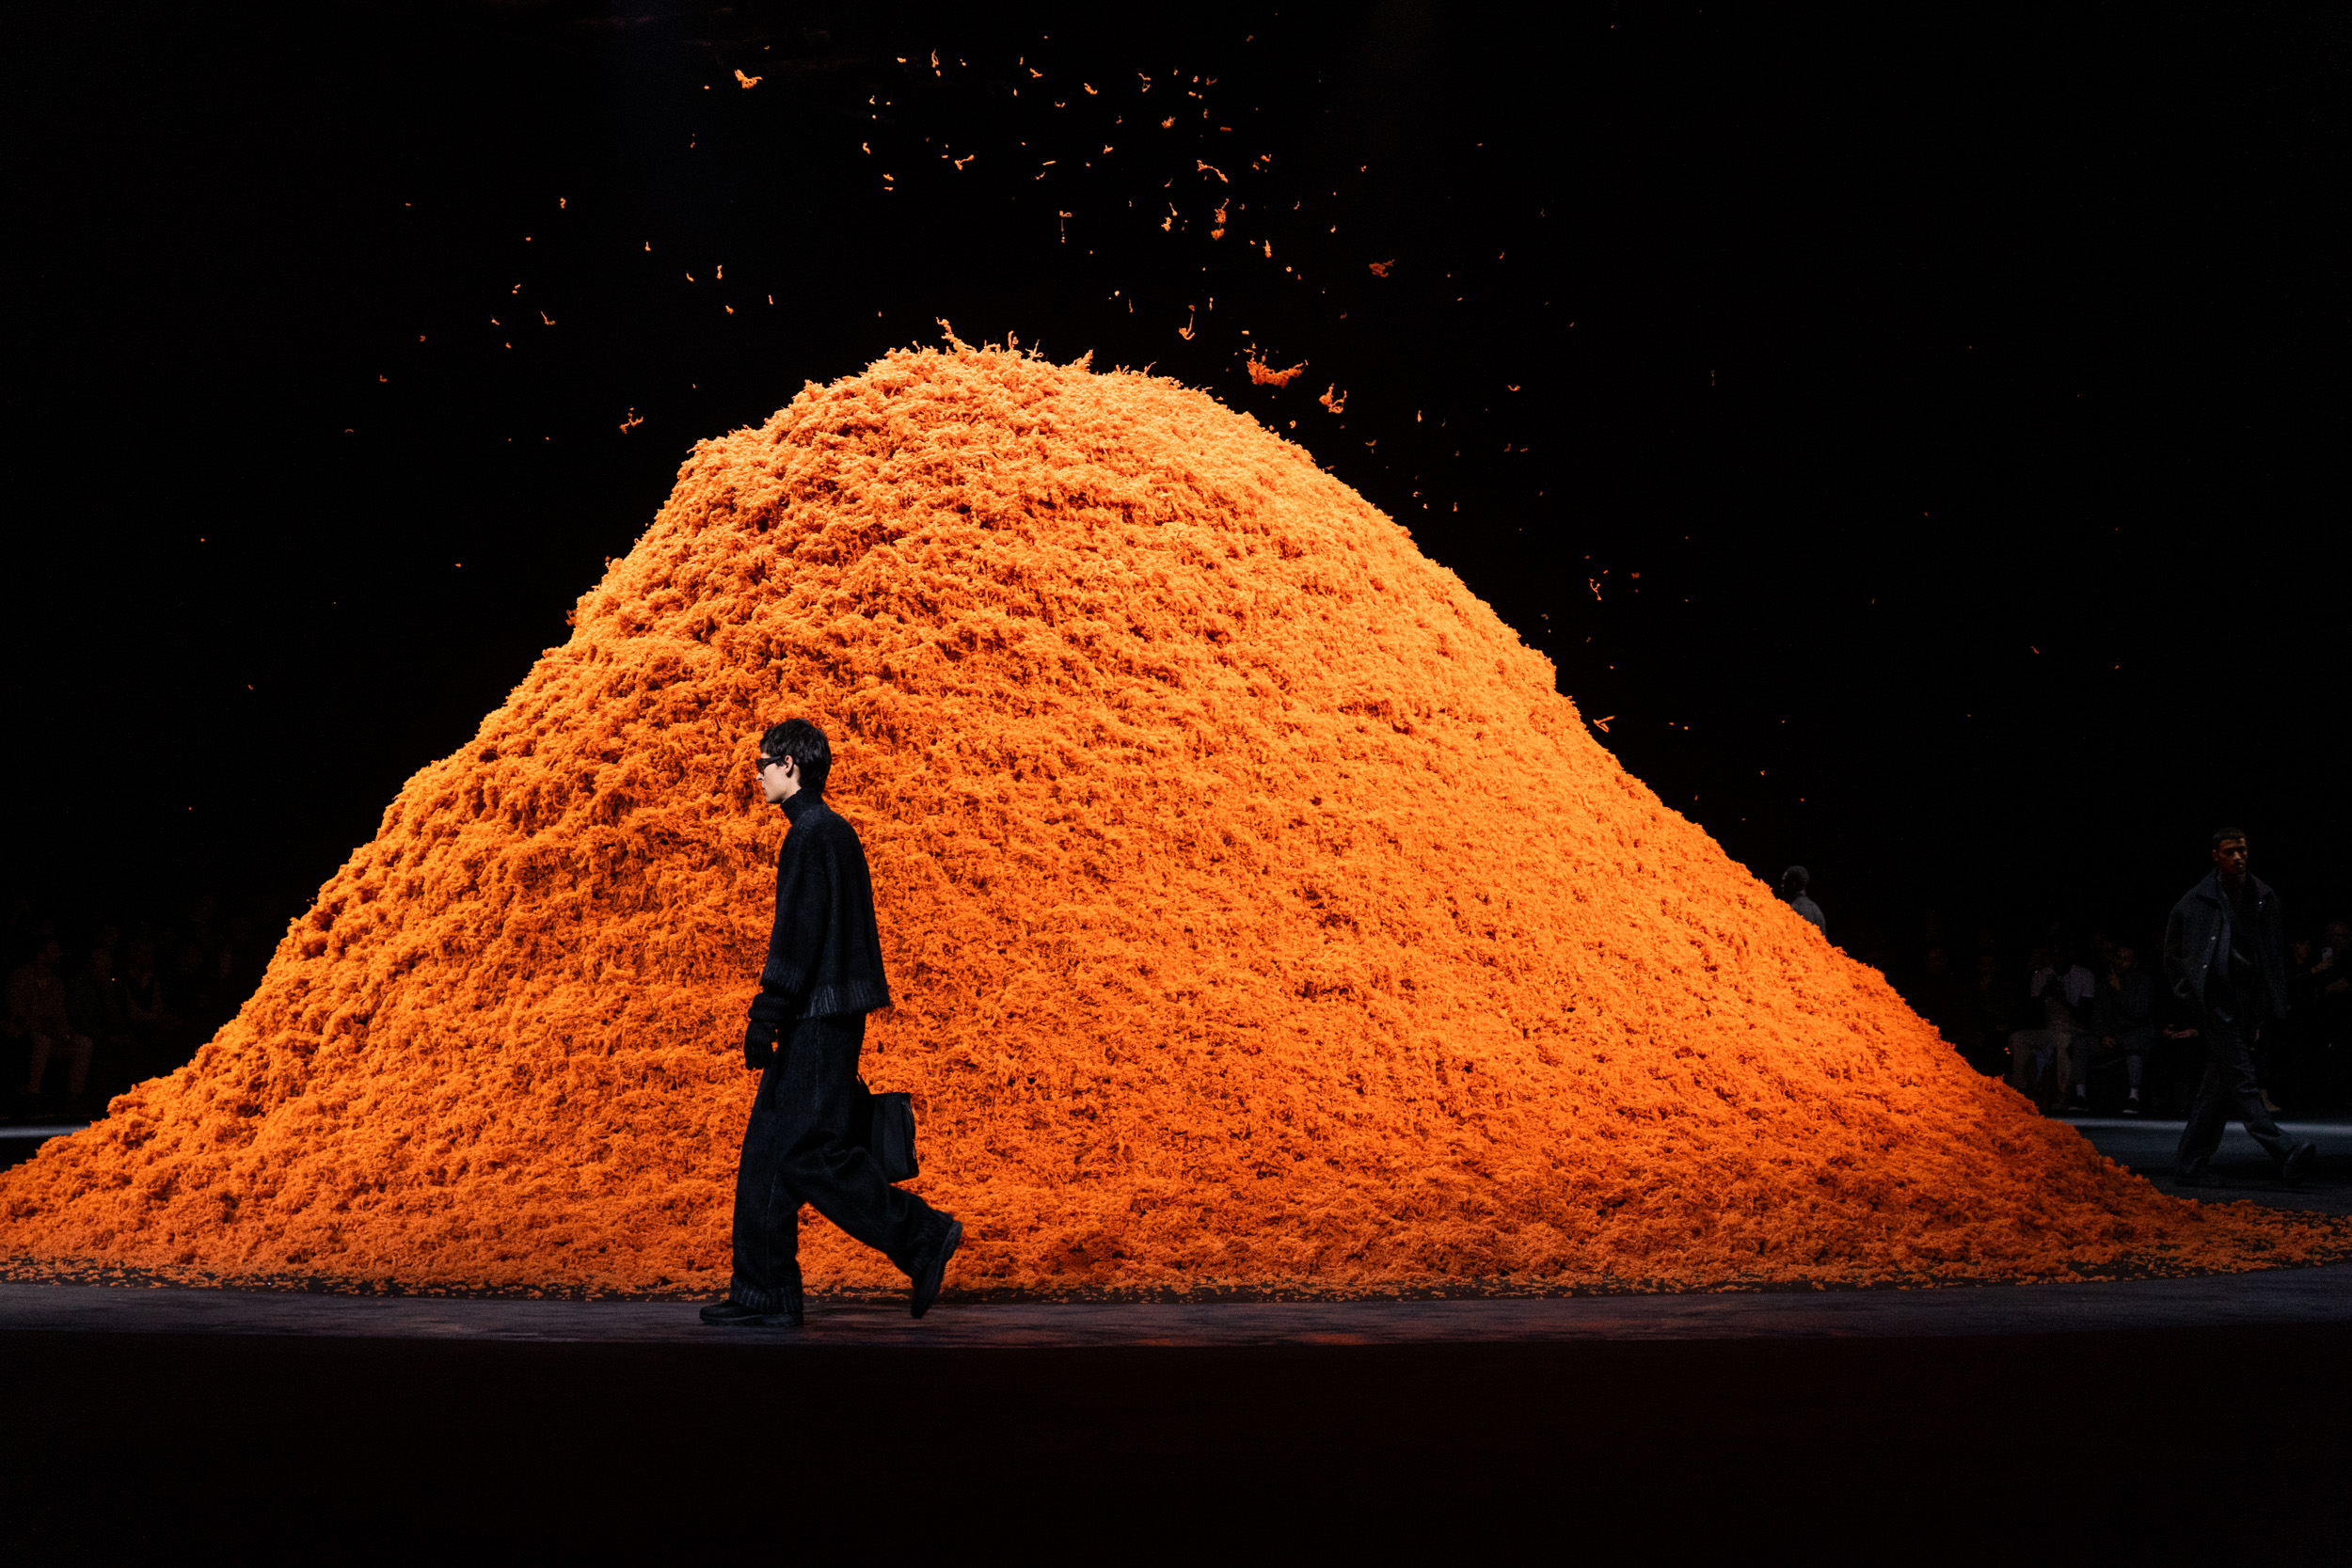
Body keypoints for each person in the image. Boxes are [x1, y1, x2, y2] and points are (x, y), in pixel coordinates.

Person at [702, 720, 962, 1328]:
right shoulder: (829, 832)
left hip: (817, 1020)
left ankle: (921, 1235)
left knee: (809, 1155)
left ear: (791, 764)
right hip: (823, 1016)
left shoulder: (812, 836)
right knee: (767, 1153)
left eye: (763, 762)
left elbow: (799, 934)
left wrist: (768, 1010)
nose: (757, 773)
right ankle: (763, 1292)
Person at [2164, 828, 2315, 1187]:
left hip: (2245, 1004)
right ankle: (2284, 1149)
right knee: (2244, 1081)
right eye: (2230, 851)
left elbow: (2268, 959)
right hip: (2215, 1004)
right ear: (2215, 855)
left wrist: (2263, 1010)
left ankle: (2189, 1165)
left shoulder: (2263, 897)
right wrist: (2193, 999)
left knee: (2217, 1088)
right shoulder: (2195, 901)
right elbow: (2174, 958)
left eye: (2242, 850)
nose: (2238, 857)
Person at [2011, 943, 2097, 1113]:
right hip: (2049, 1030)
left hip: (2075, 1029)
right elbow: (2031, 1015)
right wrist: (2044, 995)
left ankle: (2063, 1092)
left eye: (2061, 953)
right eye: (2054, 953)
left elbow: (2086, 1016)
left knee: (2063, 1039)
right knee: (2017, 1038)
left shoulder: (2084, 975)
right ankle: (2019, 1089)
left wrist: (2063, 999)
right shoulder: (2042, 977)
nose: (2058, 958)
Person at [8, 938, 92, 1108]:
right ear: (40, 955)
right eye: (53, 951)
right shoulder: (20, 978)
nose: (58, 955)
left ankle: (74, 1095)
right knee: (42, 1040)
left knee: (84, 1043)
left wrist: (64, 1032)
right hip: (23, 1035)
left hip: (51, 1034)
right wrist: (41, 1026)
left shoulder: (56, 983)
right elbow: (16, 1014)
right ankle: (33, 1092)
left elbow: (60, 1015)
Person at [2094, 943, 2160, 1116]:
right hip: (2114, 1035)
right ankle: (2078, 1095)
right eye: (2118, 958)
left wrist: (2119, 990)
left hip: (2138, 1033)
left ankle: (2134, 1096)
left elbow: (2138, 1012)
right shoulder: (2105, 983)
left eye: (2126, 959)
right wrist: (2103, 1034)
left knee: (2133, 1043)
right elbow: (2098, 1013)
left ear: (2134, 963)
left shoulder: (2143, 982)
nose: (2120, 962)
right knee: (2080, 1044)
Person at [1779, 866, 1826, 934]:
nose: (1782, 886)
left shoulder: (1793, 910)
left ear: (1794, 884)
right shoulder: (1817, 910)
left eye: (1784, 882)